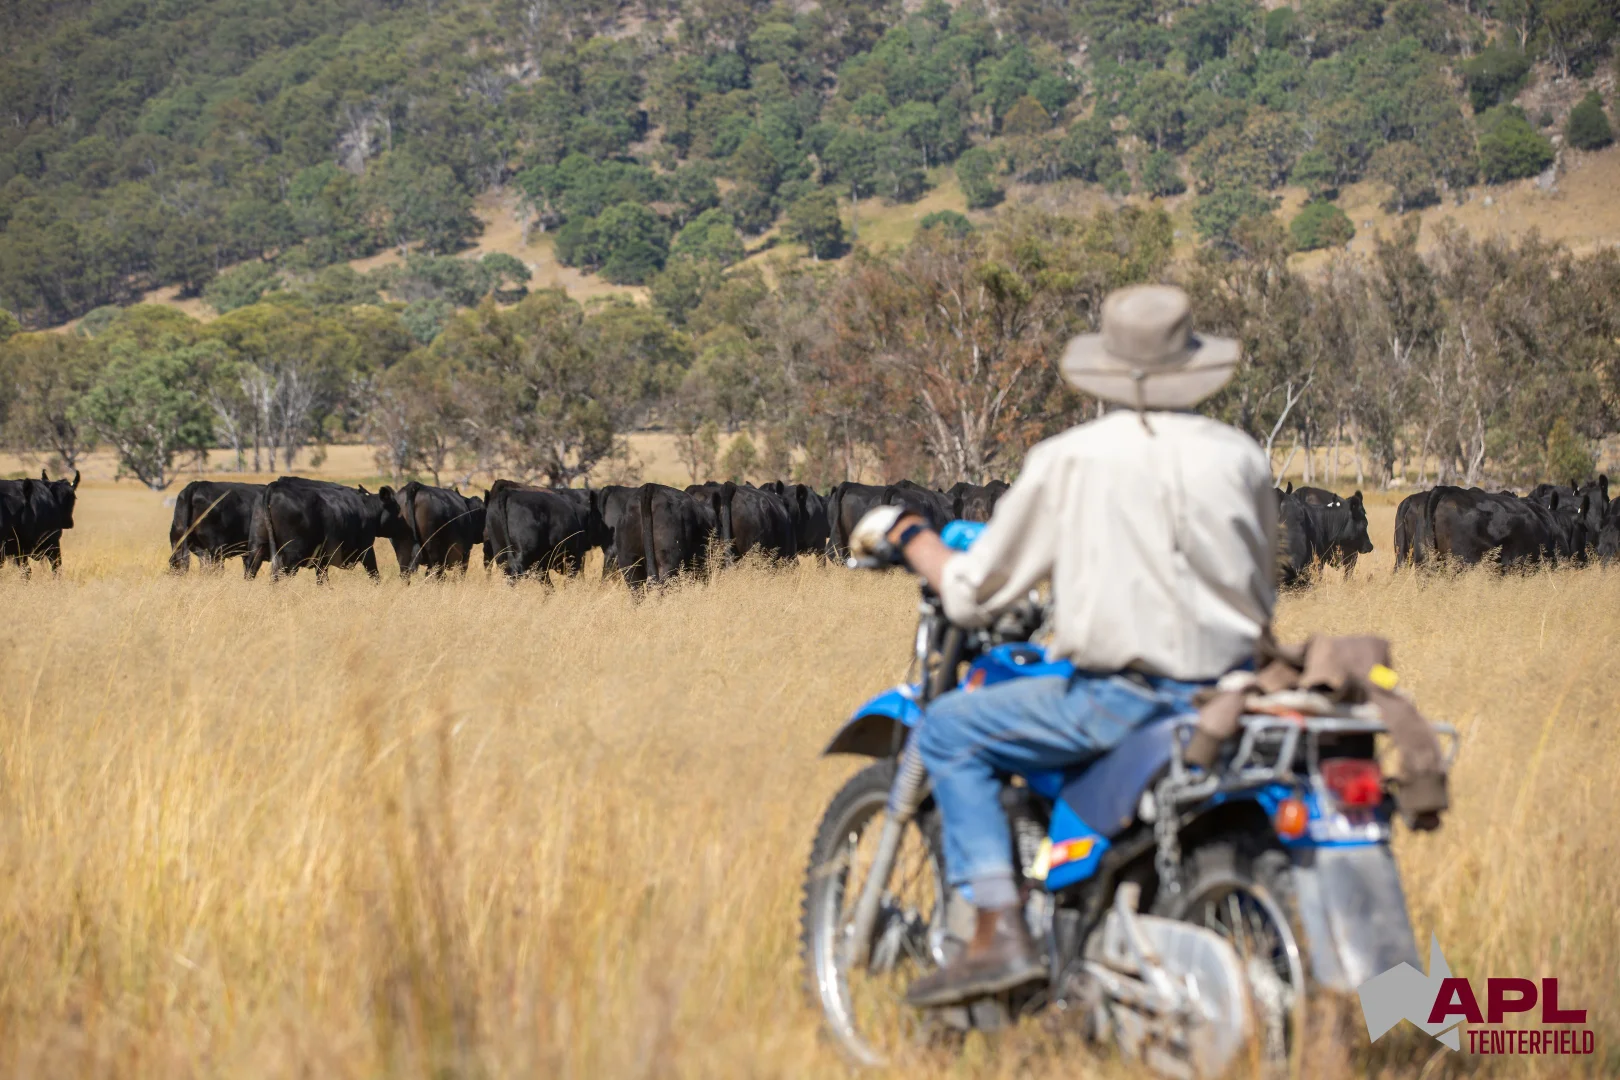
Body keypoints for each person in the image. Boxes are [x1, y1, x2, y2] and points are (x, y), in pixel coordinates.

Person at [848, 284, 1278, 1008]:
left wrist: (911, 536)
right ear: (1191, 366)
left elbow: (973, 591)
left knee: (948, 728)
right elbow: (1262, 585)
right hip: (1233, 694)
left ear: (1107, 370)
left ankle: (999, 932)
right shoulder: (1241, 456)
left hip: (1122, 700)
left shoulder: (1072, 458)